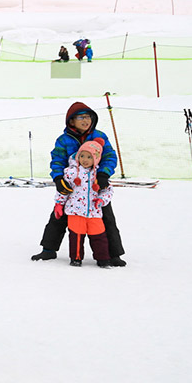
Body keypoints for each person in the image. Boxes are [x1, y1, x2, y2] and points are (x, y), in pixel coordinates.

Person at [31, 102, 126, 265]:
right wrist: (59, 179)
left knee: (107, 218)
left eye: (88, 116)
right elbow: (58, 160)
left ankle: (113, 254)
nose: (86, 120)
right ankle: (48, 249)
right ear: (71, 121)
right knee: (58, 216)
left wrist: (103, 174)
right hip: (73, 187)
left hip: (96, 187)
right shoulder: (64, 140)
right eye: (81, 117)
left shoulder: (100, 136)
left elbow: (110, 156)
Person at [55, 139, 114, 267]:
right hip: (75, 211)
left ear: (96, 159)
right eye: (82, 156)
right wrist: (59, 204)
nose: (85, 160)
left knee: (99, 236)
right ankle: (76, 258)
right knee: (76, 236)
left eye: (89, 157)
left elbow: (108, 191)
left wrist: (101, 199)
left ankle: (103, 259)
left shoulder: (99, 175)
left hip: (94, 211)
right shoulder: (70, 173)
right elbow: (63, 190)